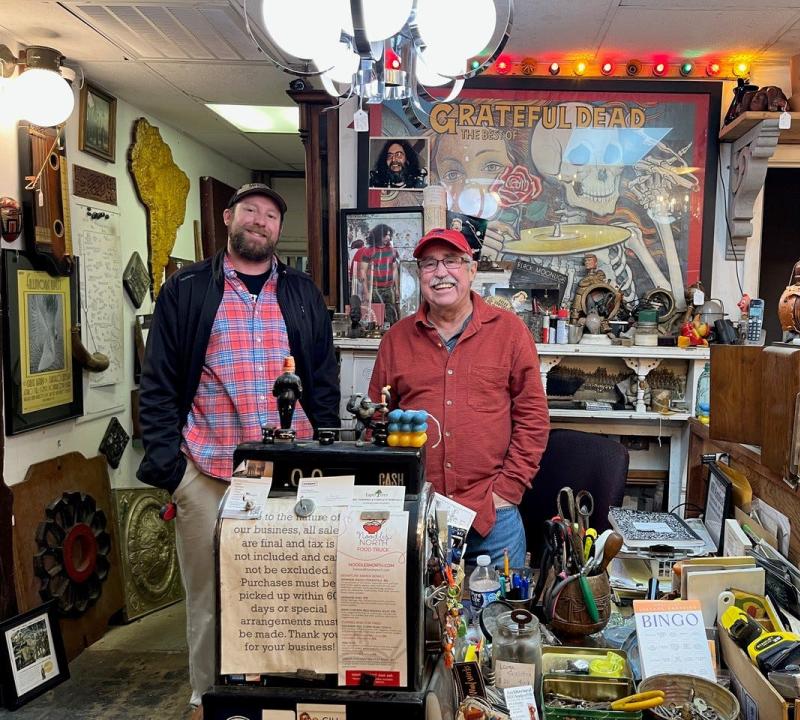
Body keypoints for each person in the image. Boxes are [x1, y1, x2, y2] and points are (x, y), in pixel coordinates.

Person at [136, 183, 340, 719]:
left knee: (287, 598)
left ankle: (284, 699)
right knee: (209, 600)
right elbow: (157, 382)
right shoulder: (187, 290)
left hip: (287, 476)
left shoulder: (300, 292)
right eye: (250, 210)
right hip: (207, 471)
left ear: (278, 230)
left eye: (271, 215)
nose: (260, 220)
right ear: (228, 218)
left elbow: (323, 376)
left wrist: (330, 448)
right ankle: (209, 699)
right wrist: (172, 470)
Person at [369, 228, 549, 567]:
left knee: (497, 618)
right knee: (419, 618)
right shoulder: (396, 339)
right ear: (419, 273)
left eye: (452, 261)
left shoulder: (510, 333)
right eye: (429, 264)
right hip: (417, 514)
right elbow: (376, 422)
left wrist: (505, 492)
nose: (440, 273)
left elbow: (533, 419)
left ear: (471, 269)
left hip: (493, 519)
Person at [354, 223, 401, 326]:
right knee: (376, 317)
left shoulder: (392, 251)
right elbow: (362, 271)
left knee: (391, 316)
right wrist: (366, 291)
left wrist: (396, 289)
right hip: (374, 289)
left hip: (388, 289)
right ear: (379, 235)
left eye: (389, 235)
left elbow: (394, 270)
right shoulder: (368, 251)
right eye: (385, 235)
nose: (388, 238)